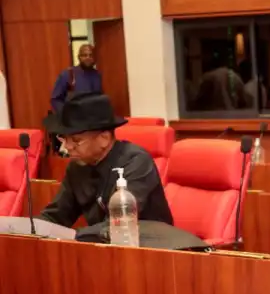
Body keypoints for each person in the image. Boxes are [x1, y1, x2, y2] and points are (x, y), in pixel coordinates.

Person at [39, 93, 173, 228]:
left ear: (104, 138)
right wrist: (33, 230)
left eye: (76, 140)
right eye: (64, 139)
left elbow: (118, 223)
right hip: (102, 239)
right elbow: (56, 216)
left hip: (148, 239)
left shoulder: (136, 162)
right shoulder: (77, 167)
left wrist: (77, 236)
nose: (67, 147)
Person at [50, 44, 103, 113]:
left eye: (91, 55)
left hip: (94, 116)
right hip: (74, 116)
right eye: (84, 55)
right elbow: (55, 99)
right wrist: (66, 114)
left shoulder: (97, 75)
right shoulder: (68, 74)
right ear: (79, 57)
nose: (88, 58)